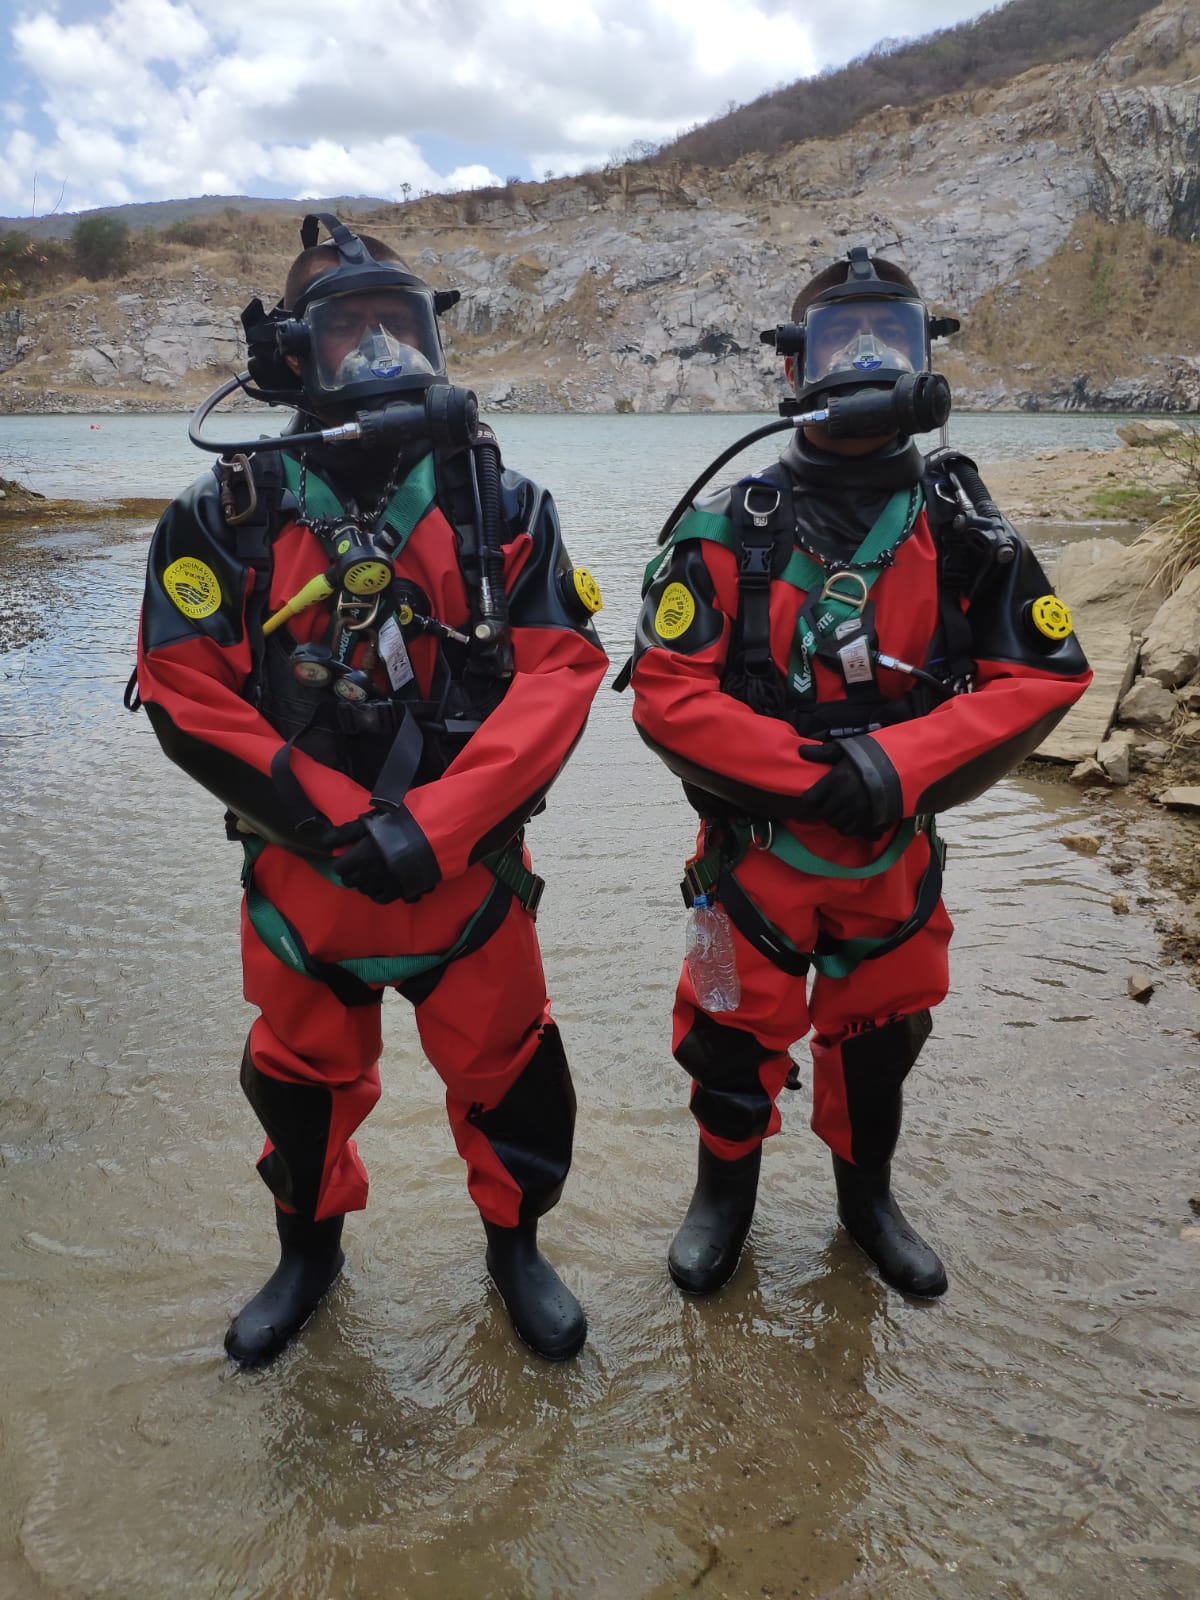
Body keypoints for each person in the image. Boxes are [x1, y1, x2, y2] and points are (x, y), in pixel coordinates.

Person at [134, 214, 607, 1365]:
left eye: (406, 328)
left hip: (472, 883)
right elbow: (183, 688)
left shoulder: (504, 505)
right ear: (294, 357)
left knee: (515, 1077)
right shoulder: (225, 514)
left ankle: (515, 1250)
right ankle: (308, 1255)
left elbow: (560, 674)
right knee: (297, 1082)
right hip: (309, 886)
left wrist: (435, 828)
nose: (386, 355)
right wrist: (347, 827)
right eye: (354, 332)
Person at [627, 247, 1091, 1300]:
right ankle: (722, 1203)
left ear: (928, 362)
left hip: (892, 855)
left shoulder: (961, 526)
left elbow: (1045, 670)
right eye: (844, 340)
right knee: (725, 1039)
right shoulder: (729, 526)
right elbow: (665, 689)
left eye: (896, 339)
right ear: (793, 370)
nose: (873, 360)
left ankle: (865, 1200)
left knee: (883, 1039)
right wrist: (808, 776)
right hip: (753, 857)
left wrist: (892, 767)